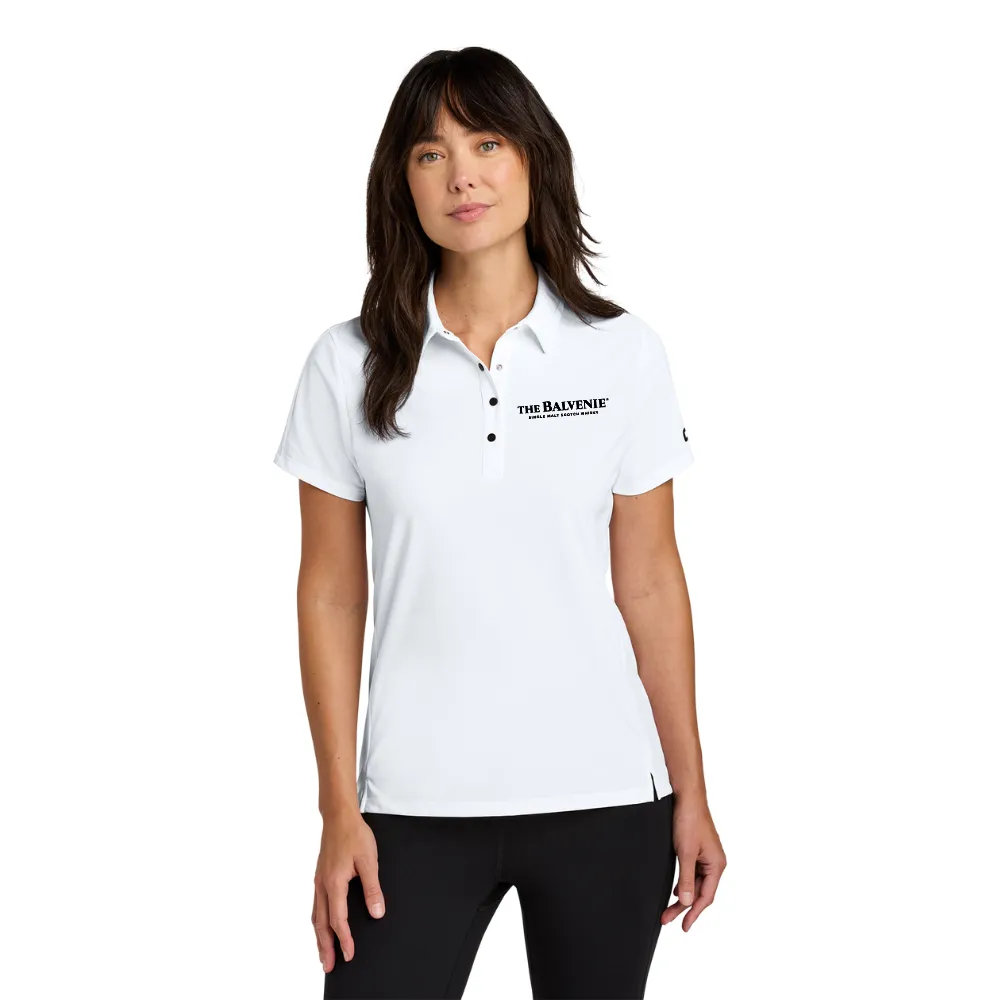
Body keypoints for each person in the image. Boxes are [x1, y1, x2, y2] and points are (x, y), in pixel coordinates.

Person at [273, 46, 726, 999]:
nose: (462, 175)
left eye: (486, 143)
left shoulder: (622, 355)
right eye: (430, 152)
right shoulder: (347, 365)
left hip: (606, 798)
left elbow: (650, 583)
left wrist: (693, 791)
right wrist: (336, 808)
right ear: (401, 180)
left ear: (533, 158)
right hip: (409, 809)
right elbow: (331, 594)